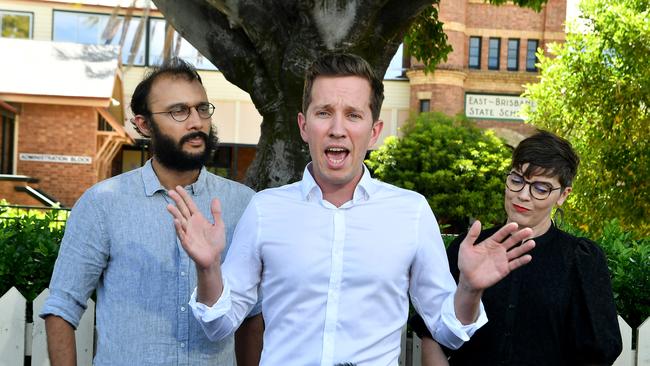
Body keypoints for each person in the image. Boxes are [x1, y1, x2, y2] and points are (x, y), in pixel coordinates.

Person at [166, 53, 536, 365]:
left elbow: (449, 334)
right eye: (324, 112)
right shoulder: (266, 210)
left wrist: (469, 289)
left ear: (374, 132)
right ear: (304, 126)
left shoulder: (411, 212)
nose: (337, 129)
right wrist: (208, 268)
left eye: (353, 115)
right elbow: (218, 324)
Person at [40, 58, 263, 366]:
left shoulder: (244, 204)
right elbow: (62, 308)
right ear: (144, 124)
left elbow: (253, 315)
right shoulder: (103, 204)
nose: (196, 122)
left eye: (201, 108)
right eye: (178, 111)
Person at [409, 130, 623, 365]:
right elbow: (430, 331)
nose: (522, 195)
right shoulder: (468, 247)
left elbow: (599, 353)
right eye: (517, 180)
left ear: (563, 195)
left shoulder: (580, 259)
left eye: (541, 188)